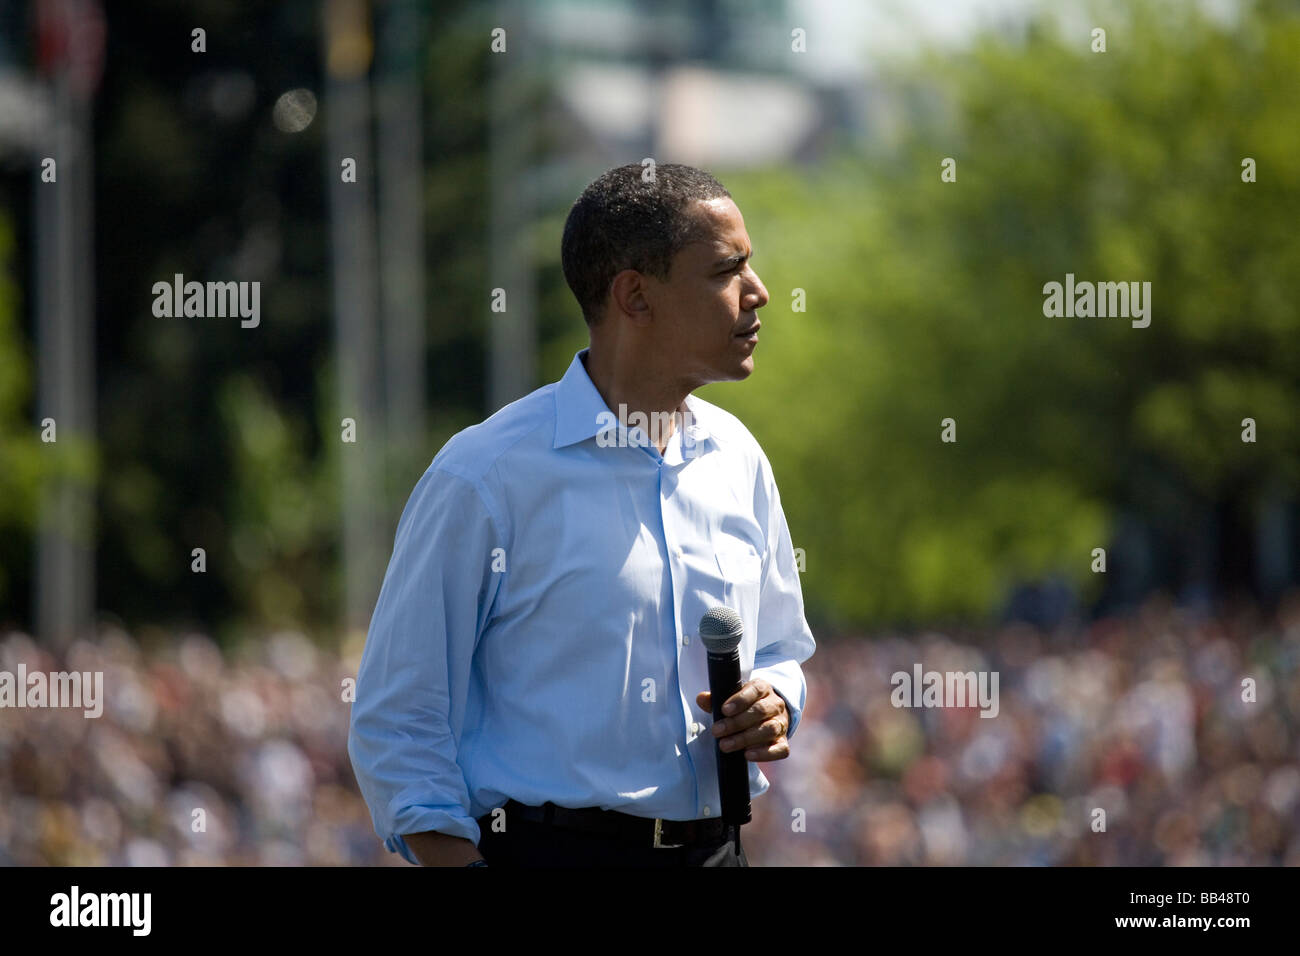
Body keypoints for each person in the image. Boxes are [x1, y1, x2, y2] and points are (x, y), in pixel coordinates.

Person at [347, 162, 816, 867]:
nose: (760, 293)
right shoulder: (485, 475)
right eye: (727, 270)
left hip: (720, 851)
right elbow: (398, 720)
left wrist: (775, 699)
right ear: (634, 295)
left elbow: (782, 648)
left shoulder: (739, 458)